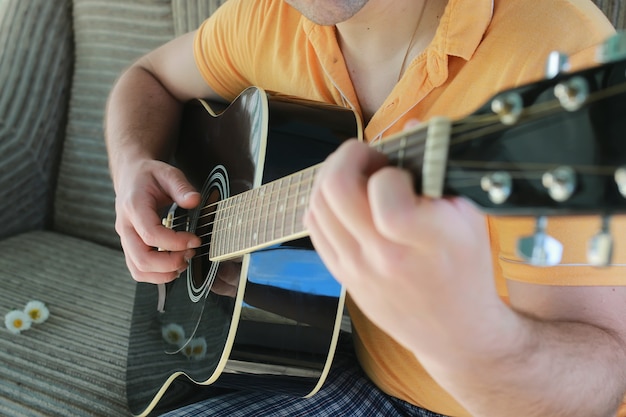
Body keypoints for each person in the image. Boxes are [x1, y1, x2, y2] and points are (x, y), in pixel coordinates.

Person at [105, 0, 626, 416]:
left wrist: (465, 334)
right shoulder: (268, 16)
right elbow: (149, 77)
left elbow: (603, 380)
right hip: (357, 377)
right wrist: (132, 166)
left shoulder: (557, 55)